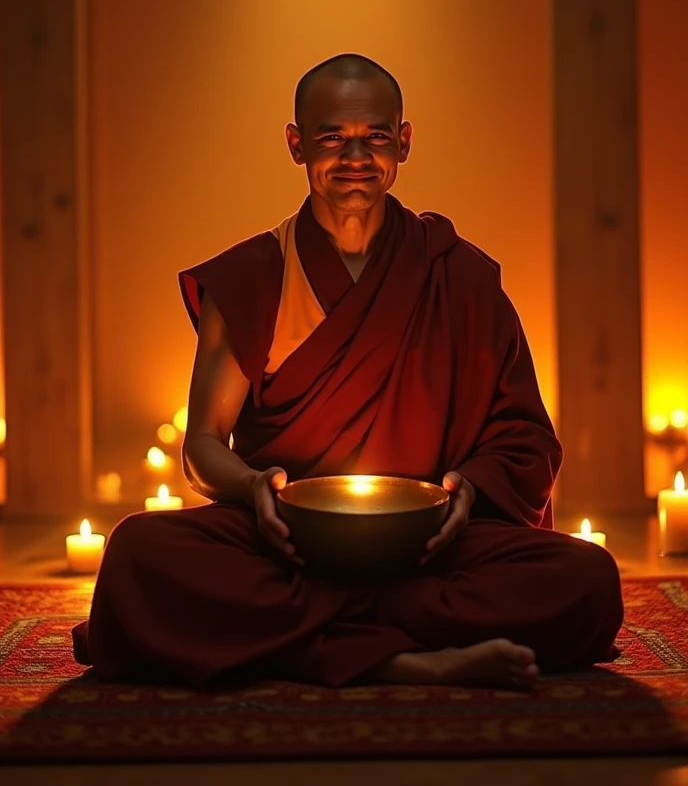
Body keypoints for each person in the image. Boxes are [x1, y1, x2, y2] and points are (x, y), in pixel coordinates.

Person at [72, 53, 623, 691]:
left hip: (428, 545)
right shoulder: (256, 275)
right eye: (332, 137)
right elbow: (201, 447)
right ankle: (409, 660)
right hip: (287, 543)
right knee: (140, 554)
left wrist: (467, 493)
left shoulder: (458, 276)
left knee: (586, 578)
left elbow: (525, 438)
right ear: (296, 143)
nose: (355, 155)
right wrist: (256, 493)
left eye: (376, 136)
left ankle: (312, 645)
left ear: (404, 142)